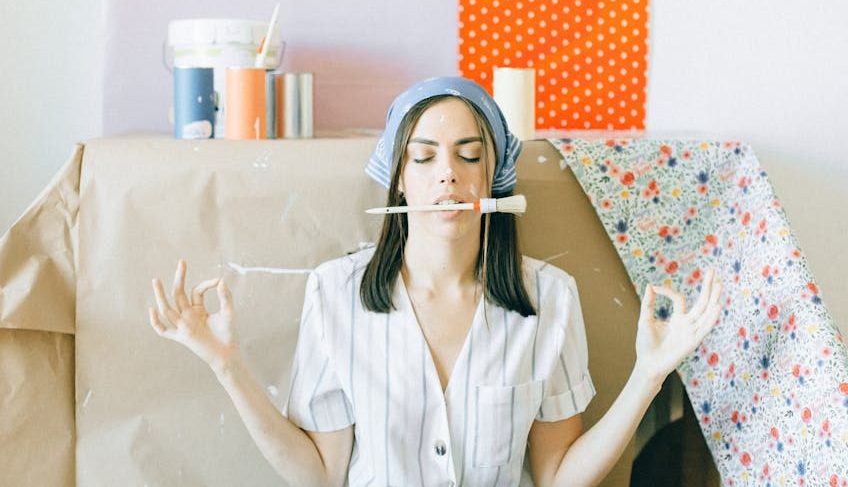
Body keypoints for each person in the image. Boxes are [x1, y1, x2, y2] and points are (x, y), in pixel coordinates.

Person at [149, 76, 722, 486]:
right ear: (398, 179)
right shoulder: (334, 294)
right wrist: (227, 365)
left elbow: (558, 479)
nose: (446, 172)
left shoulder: (550, 299)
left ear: (493, 178)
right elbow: (320, 474)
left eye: (467, 155)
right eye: (423, 158)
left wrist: (649, 375)